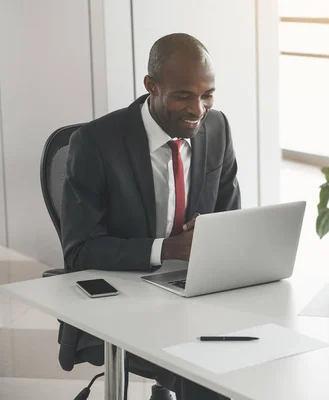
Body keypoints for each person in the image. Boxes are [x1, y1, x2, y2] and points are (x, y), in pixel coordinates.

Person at [61, 33, 239, 399]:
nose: (198, 110)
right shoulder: (95, 144)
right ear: (151, 87)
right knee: (209, 374)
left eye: (207, 95)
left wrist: (214, 237)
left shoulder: (217, 130)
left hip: (195, 293)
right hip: (124, 298)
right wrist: (169, 249)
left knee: (258, 356)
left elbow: (229, 219)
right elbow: (79, 251)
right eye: (183, 96)